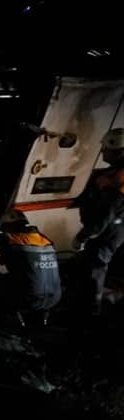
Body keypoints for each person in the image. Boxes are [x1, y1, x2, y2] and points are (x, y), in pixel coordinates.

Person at [0, 208, 62, 324]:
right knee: (21, 278)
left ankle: (2, 319)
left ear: (9, 226)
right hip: (54, 298)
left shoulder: (11, 239)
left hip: (29, 299)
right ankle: (38, 318)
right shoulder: (45, 239)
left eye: (3, 229)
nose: (3, 232)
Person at [74, 128, 124, 313]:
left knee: (95, 270)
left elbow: (106, 213)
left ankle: (92, 312)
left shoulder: (117, 178)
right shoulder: (115, 173)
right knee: (93, 268)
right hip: (115, 230)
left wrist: (84, 235)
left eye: (106, 148)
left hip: (107, 233)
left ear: (119, 152)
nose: (102, 150)